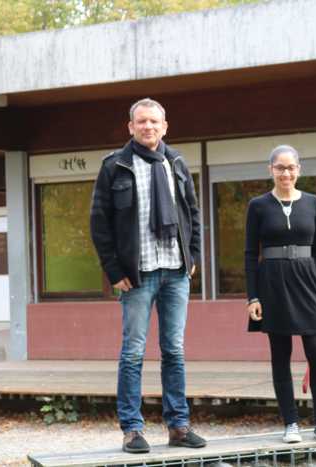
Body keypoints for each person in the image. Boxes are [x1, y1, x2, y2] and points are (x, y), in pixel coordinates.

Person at [90, 98, 206, 453]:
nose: (148, 127)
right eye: (141, 121)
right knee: (133, 352)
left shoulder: (177, 163)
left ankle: (178, 426)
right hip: (136, 275)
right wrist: (113, 270)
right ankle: (132, 429)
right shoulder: (115, 166)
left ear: (165, 126)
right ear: (131, 127)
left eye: (154, 121)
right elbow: (99, 223)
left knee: (174, 350)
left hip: (175, 271)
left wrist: (194, 257)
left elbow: (193, 214)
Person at [245, 145, 316, 443]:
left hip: (308, 282)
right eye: (280, 167)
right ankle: (291, 424)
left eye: (291, 167)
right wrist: (253, 297)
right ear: (270, 169)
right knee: (280, 355)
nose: (286, 173)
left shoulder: (313, 203)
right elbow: (249, 254)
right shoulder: (257, 206)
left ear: (299, 169)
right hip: (272, 284)